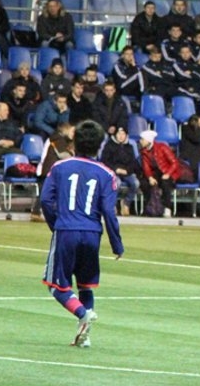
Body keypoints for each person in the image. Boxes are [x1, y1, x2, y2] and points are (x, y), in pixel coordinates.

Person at [40, 119, 124, 348]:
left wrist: (55, 224)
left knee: (57, 287)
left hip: (66, 230)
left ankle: (82, 314)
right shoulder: (107, 174)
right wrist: (117, 244)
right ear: (99, 146)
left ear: (73, 143)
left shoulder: (59, 167)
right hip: (92, 234)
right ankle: (84, 337)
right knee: (85, 285)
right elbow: (109, 211)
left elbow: (45, 201)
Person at [30, 122, 74, 222]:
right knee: (45, 193)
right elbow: (63, 155)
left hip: (51, 170)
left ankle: (38, 212)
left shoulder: (59, 139)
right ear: (65, 130)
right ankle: (36, 212)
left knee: (47, 192)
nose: (73, 133)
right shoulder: (57, 139)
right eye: (72, 131)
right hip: (48, 170)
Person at [138, 129, 180, 218]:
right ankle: (151, 207)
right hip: (155, 174)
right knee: (145, 183)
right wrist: (150, 177)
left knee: (165, 183)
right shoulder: (144, 152)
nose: (141, 141)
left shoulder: (162, 147)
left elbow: (174, 163)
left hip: (167, 172)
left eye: (142, 139)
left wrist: (168, 173)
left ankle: (167, 207)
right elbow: (146, 167)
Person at [100, 126, 142, 216]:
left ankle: (126, 203)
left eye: (123, 134)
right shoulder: (109, 146)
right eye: (119, 134)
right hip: (113, 172)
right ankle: (113, 205)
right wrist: (116, 169)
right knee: (116, 184)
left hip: (127, 172)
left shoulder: (130, 147)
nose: (121, 136)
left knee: (135, 183)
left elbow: (133, 162)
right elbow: (104, 161)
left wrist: (127, 170)